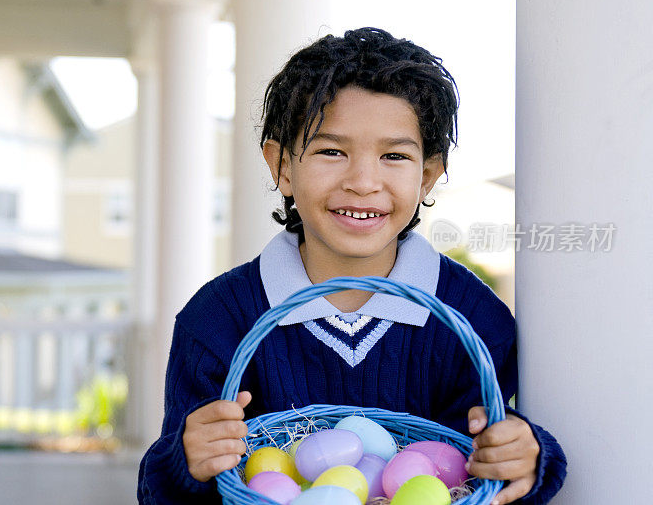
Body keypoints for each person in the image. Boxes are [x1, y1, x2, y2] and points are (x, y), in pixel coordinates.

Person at [138, 27, 566, 504]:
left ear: (427, 176)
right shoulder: (217, 320)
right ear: (281, 165)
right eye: (331, 151)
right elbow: (168, 490)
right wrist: (184, 461)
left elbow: (482, 469)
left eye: (394, 156)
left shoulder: (474, 319)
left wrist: (525, 457)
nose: (363, 182)